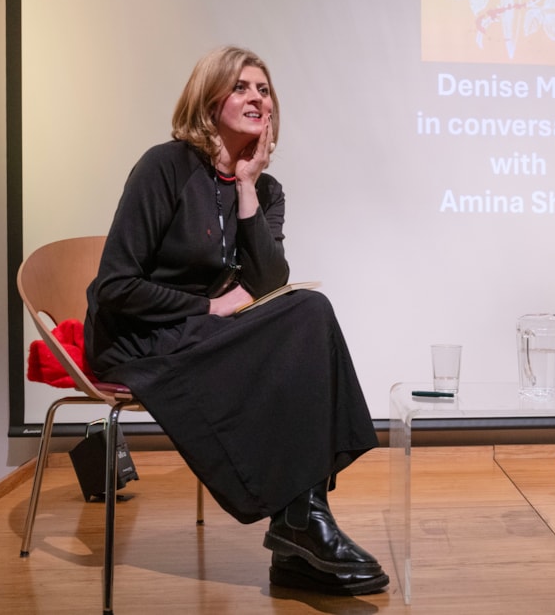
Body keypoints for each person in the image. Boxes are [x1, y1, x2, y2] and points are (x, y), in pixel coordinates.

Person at [84, 45, 388, 595]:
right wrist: (207, 306)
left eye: (264, 89)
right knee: (304, 319)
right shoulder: (166, 166)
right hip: (141, 338)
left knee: (307, 312)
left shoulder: (266, 189)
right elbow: (113, 287)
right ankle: (301, 523)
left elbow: (269, 281)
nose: (256, 97)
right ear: (210, 97)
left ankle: (301, 520)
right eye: (242, 86)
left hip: (203, 336)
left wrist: (247, 186)